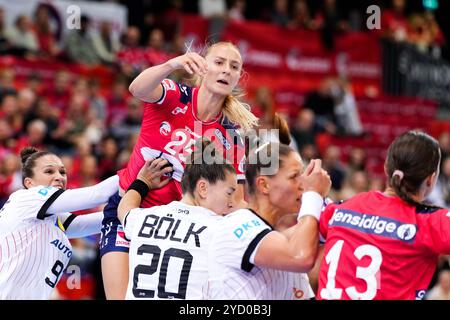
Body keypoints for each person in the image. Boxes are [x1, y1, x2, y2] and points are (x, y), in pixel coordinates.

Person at [100, 41, 258, 299]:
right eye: (219, 63)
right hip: (127, 210)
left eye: (234, 67)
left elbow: (235, 200)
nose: (226, 71)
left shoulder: (231, 135)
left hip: (171, 229)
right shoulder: (176, 95)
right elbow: (136, 88)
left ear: (239, 77)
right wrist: (172, 64)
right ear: (203, 66)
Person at [317, 130, 450, 300]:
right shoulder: (429, 221)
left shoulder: (346, 206)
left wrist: (312, 196)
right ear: (431, 179)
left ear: (386, 167)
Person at [206, 142, 331, 299]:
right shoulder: (236, 224)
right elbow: (300, 256)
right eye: (294, 176)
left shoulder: (276, 244)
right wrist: (313, 195)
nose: (303, 185)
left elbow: (293, 240)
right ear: (264, 185)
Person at [117, 140, 238, 299]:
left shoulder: (144, 218)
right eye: (229, 193)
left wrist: (143, 182)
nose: (232, 203)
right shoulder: (220, 229)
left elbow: (123, 209)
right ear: (202, 188)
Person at [0, 147, 118, 299]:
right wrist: (138, 170)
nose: (59, 177)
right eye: (49, 171)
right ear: (29, 183)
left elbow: (93, 222)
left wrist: (138, 208)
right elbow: (98, 194)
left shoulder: (50, 217)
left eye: (62, 172)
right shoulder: (26, 198)